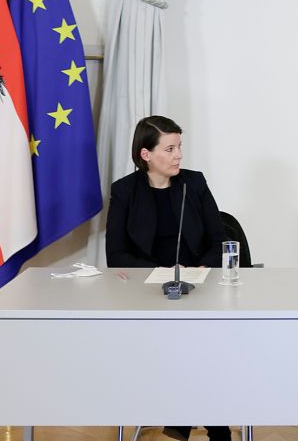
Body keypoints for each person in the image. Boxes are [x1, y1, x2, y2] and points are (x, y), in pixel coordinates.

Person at [106, 114, 231, 441]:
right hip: (148, 295)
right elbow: (115, 255)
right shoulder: (124, 192)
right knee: (188, 344)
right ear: (146, 154)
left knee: (196, 340)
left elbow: (219, 240)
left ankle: (181, 422)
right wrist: (157, 275)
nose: (179, 156)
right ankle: (212, 428)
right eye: (170, 148)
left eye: (179, 147)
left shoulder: (195, 183)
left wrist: (201, 269)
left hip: (199, 290)